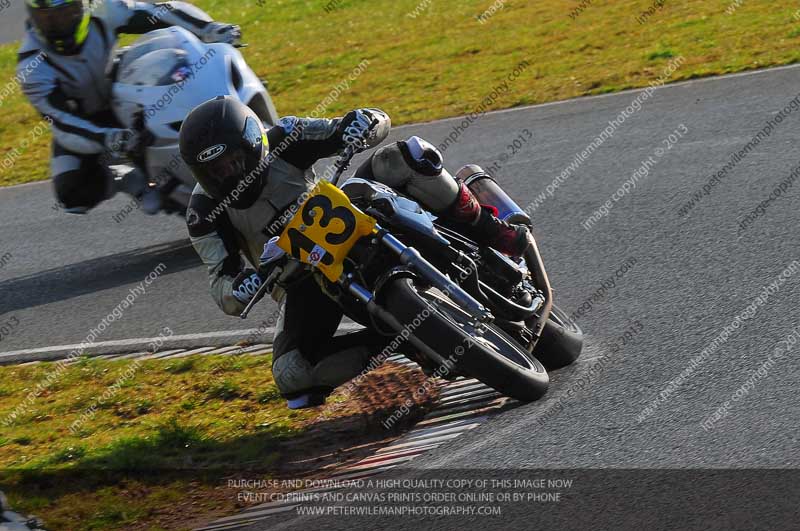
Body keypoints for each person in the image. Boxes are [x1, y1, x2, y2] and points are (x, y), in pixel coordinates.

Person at [178, 96, 530, 408]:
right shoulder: (203, 213)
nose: (225, 175)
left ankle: (493, 230)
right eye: (212, 171)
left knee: (404, 156)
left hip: (353, 214)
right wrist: (240, 287)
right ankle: (404, 340)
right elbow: (220, 284)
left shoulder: (285, 137)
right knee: (292, 375)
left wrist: (363, 123)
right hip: (301, 277)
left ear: (254, 142)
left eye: (233, 161)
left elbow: (363, 122)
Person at [17, 0, 241, 214]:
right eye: (47, 18)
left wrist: (209, 28)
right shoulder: (32, 65)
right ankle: (131, 179)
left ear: (82, 6)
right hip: (85, 121)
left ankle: (237, 112)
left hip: (127, 92)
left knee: (180, 70)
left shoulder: (105, 10)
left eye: (65, 13)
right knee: (71, 193)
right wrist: (109, 138)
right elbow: (62, 122)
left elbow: (159, 12)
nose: (57, 25)